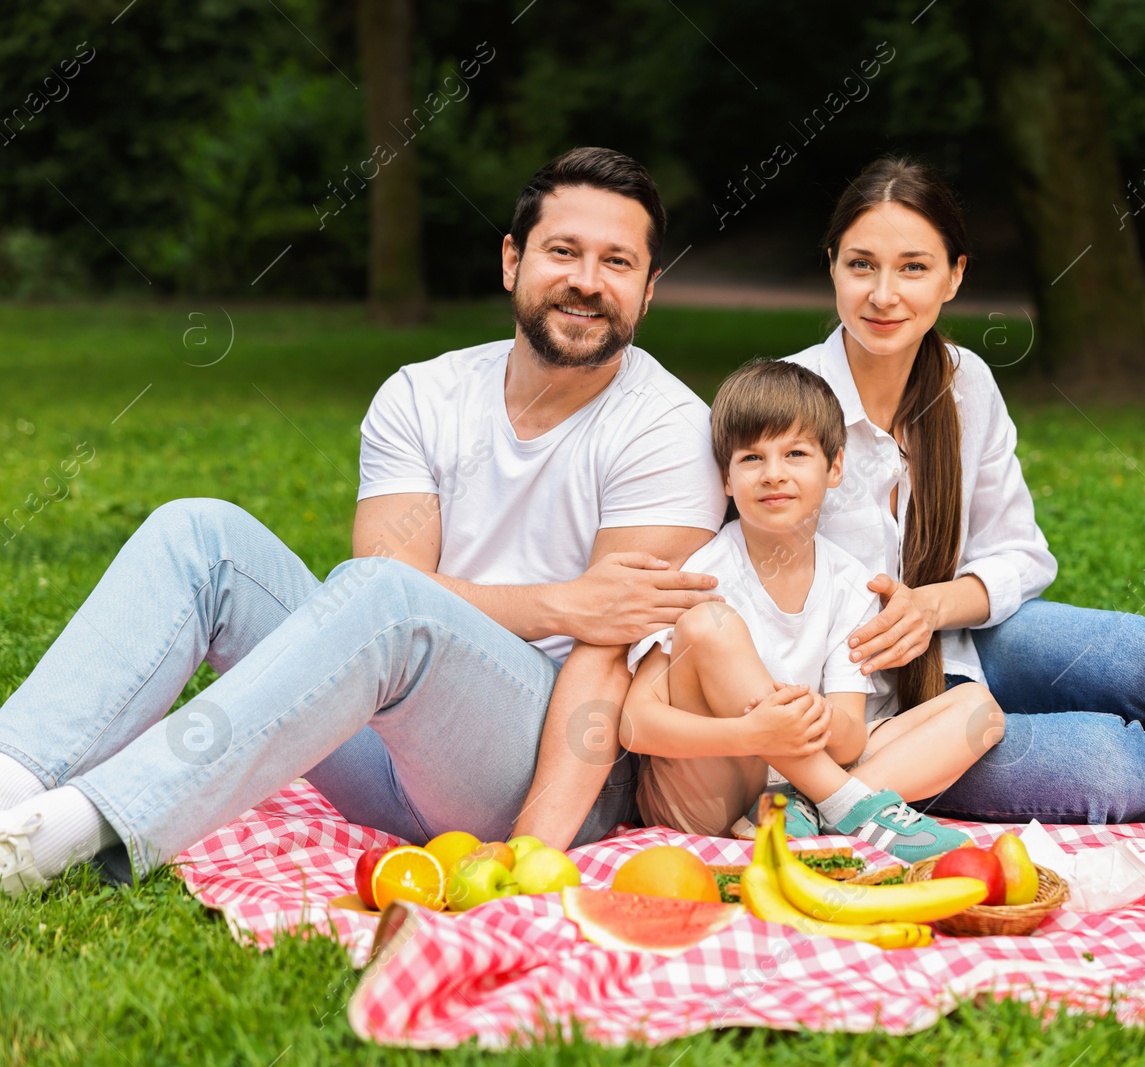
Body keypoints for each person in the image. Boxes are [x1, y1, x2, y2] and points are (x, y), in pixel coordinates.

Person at [0, 147, 728, 897]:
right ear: (512, 260)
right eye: (563, 251)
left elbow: (601, 652)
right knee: (201, 536)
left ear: (649, 290)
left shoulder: (669, 430)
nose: (586, 280)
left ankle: (62, 834)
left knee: (386, 600)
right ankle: (10, 782)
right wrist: (558, 603)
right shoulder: (424, 394)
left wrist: (527, 851)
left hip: (556, 774)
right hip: (380, 752)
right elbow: (384, 589)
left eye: (617, 261)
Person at [783, 156, 1145, 825]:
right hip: (867, 715)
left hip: (962, 639)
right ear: (832, 265)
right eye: (861, 264)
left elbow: (1019, 553)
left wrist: (928, 607)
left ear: (955, 275)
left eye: (913, 267)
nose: (883, 294)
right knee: (1114, 768)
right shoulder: (785, 402)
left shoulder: (963, 382)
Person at [619, 360, 1002, 860]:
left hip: (785, 792)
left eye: (795, 453)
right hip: (706, 794)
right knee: (709, 624)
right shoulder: (704, 573)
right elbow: (635, 723)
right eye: (752, 458)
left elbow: (844, 742)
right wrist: (748, 733)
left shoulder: (850, 584)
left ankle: (808, 808)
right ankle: (847, 803)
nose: (773, 474)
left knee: (980, 711)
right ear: (727, 480)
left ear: (835, 467)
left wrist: (820, 718)